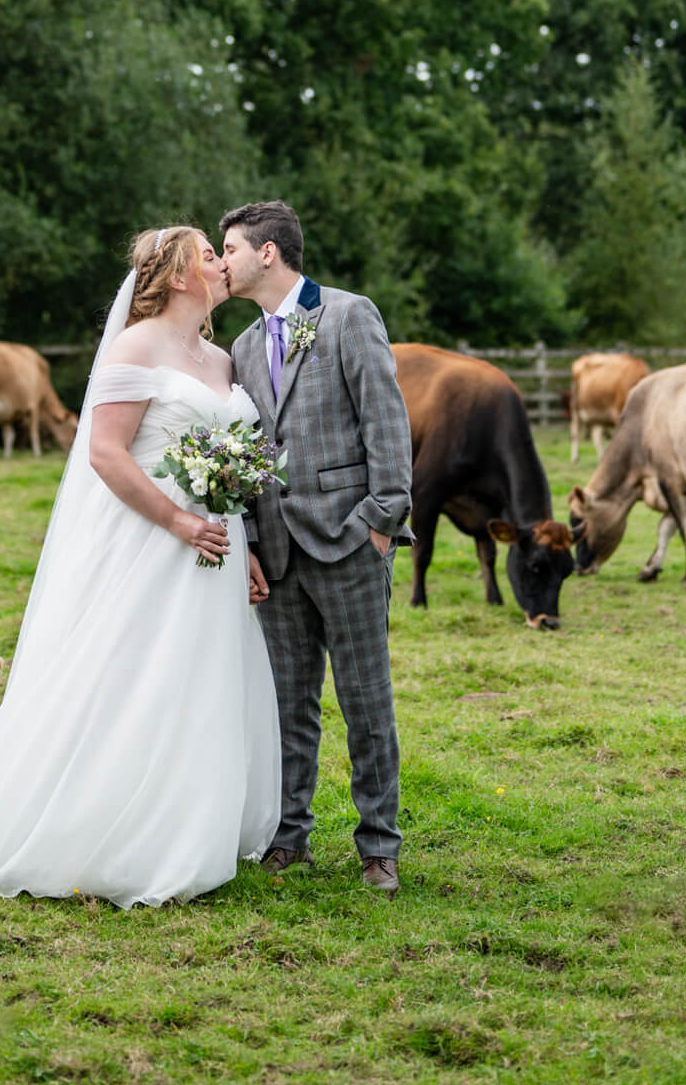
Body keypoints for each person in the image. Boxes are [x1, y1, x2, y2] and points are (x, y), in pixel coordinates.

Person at [0, 226, 281, 907]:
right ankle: (112, 827)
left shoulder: (219, 361)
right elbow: (105, 453)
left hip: (218, 549)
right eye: (210, 256)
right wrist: (180, 521)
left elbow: (228, 458)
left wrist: (240, 546)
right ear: (179, 275)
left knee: (202, 681)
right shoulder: (135, 347)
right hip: (152, 543)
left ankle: (189, 819)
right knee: (136, 678)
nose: (223, 265)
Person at [220, 200, 413, 896]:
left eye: (231, 249)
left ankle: (378, 847)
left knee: (365, 702)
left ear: (267, 253)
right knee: (285, 706)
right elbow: (240, 453)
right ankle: (288, 837)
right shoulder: (240, 349)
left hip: (349, 540)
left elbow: (384, 419)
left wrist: (381, 522)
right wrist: (244, 539)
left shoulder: (347, 314)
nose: (223, 262)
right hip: (274, 552)